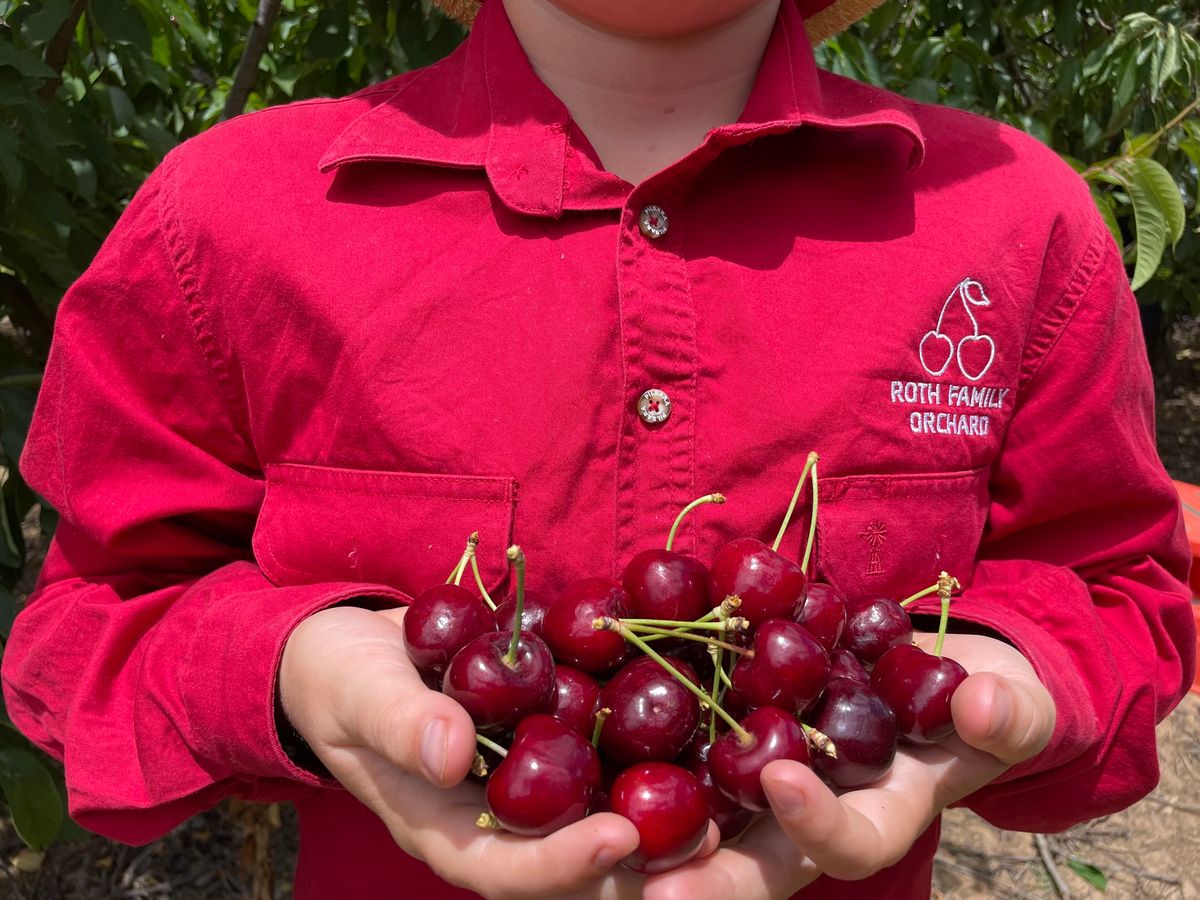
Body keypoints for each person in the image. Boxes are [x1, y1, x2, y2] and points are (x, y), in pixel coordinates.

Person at [2, 0, 1193, 897]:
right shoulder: (229, 222)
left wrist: (1008, 689)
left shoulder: (1016, 227)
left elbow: (1123, 586)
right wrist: (293, 664)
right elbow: (84, 631)